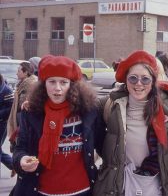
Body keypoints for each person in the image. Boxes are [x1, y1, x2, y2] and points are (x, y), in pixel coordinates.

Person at [11, 55, 104, 196]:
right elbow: (20, 148)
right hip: (40, 191)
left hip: (82, 190)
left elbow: (104, 145)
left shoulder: (88, 111)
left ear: (72, 85)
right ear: (44, 84)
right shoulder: (31, 112)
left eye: (63, 82)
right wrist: (22, 160)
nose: (57, 88)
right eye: (52, 82)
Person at [93, 50, 168, 196]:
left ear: (153, 82)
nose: (139, 84)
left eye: (145, 79)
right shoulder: (110, 106)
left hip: (155, 185)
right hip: (118, 186)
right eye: (133, 78)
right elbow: (100, 142)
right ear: (126, 80)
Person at [7, 62, 37, 152]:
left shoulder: (30, 85)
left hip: (23, 120)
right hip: (20, 118)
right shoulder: (22, 84)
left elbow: (23, 105)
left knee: (21, 143)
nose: (16, 73)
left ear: (26, 72)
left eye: (19, 71)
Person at [0, 73, 15, 176]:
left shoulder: (6, 90)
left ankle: (15, 166)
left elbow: (10, 109)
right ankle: (14, 166)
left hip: (2, 124)